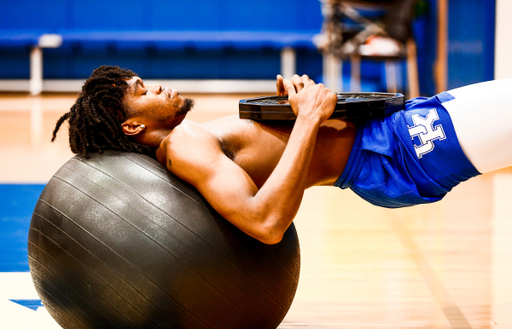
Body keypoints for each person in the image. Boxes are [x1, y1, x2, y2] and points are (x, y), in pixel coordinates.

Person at [52, 65, 512, 244]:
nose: (158, 85)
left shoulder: (185, 143)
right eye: (143, 91)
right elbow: (266, 224)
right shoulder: (182, 145)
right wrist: (309, 118)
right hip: (399, 149)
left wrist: (288, 112)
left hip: (392, 142)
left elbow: (266, 160)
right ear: (133, 126)